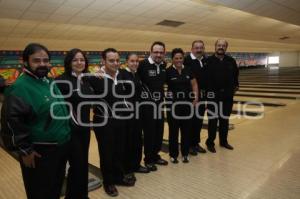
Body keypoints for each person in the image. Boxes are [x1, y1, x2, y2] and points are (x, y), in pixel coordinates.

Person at [0, 43, 71, 199]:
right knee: (40, 191)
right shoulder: (20, 87)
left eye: (45, 60)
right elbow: (11, 122)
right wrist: (25, 150)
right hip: (39, 151)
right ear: (25, 62)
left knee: (55, 187)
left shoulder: (48, 81)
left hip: (58, 146)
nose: (42, 64)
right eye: (36, 60)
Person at [89, 48, 135, 197]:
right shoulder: (96, 77)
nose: (115, 63)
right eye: (111, 60)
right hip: (104, 121)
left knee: (119, 150)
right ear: (103, 61)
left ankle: (118, 177)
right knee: (107, 152)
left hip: (120, 120)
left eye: (117, 60)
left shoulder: (121, 74)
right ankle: (108, 182)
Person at [56, 48, 94, 199]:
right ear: (69, 62)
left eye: (82, 60)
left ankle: (82, 195)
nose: (79, 62)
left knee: (82, 164)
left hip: (84, 129)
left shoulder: (86, 79)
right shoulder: (61, 80)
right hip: (70, 130)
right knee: (77, 165)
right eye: (75, 60)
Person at [137, 41, 168, 171]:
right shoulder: (143, 65)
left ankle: (155, 156)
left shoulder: (163, 65)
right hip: (146, 106)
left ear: (164, 53)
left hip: (159, 105)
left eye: (161, 52)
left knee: (159, 132)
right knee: (149, 133)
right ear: (151, 52)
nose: (158, 54)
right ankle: (148, 159)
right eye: (156, 52)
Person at [206, 39, 239, 153]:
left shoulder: (231, 61)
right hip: (213, 97)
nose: (221, 47)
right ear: (215, 47)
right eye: (219, 45)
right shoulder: (208, 61)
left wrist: (234, 88)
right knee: (213, 121)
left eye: (223, 46)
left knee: (225, 120)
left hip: (227, 97)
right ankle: (210, 142)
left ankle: (223, 141)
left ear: (226, 48)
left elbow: (235, 77)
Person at [120, 53, 150, 182]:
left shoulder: (137, 74)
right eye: (132, 61)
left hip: (138, 113)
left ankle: (136, 165)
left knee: (138, 140)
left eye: (137, 61)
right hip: (126, 114)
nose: (135, 63)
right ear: (126, 62)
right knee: (128, 142)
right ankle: (127, 169)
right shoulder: (122, 74)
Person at [166, 48, 199, 163]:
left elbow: (194, 84)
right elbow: (160, 85)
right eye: (176, 58)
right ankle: (173, 155)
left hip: (187, 106)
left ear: (183, 58)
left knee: (186, 131)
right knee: (173, 132)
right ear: (172, 59)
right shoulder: (168, 71)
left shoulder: (188, 70)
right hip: (173, 107)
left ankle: (185, 154)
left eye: (181, 58)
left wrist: (196, 98)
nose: (179, 60)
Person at [184, 40, 208, 155]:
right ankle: (188, 145)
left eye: (201, 48)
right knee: (190, 122)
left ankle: (195, 143)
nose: (199, 50)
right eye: (196, 48)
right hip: (190, 97)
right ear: (192, 49)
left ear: (203, 49)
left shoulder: (205, 60)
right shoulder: (186, 61)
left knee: (198, 121)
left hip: (202, 97)